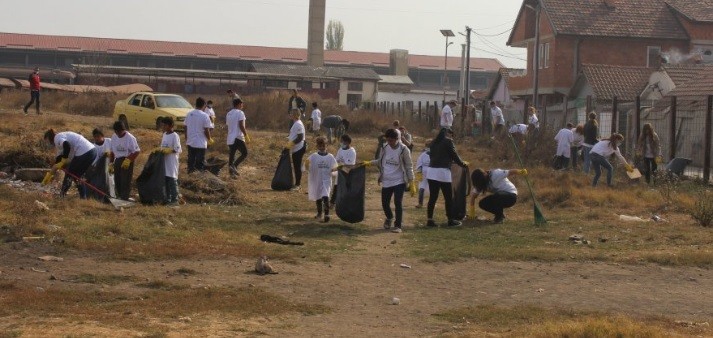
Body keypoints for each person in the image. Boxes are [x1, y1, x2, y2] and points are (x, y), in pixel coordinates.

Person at [364, 128, 414, 233]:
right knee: (385, 203)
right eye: (388, 140)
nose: (390, 143)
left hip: (399, 180)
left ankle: (398, 225)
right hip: (387, 180)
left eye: (392, 140)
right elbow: (380, 161)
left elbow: (409, 166)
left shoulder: (404, 150)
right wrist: (369, 162)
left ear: (397, 139)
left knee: (397, 202)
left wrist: (411, 181)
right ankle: (389, 217)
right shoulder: (384, 147)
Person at [426, 128, 468, 227]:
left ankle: (430, 220)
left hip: (431, 172)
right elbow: (454, 155)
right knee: (448, 198)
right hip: (443, 172)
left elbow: (431, 156)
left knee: (433, 197)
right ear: (448, 134)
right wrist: (462, 164)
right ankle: (450, 220)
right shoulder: (448, 141)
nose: (452, 136)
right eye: (451, 134)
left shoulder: (433, 142)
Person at [41, 129, 97, 198]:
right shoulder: (60, 141)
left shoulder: (57, 138)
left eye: (47, 142)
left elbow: (67, 146)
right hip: (92, 151)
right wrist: (50, 175)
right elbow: (58, 159)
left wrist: (63, 160)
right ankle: (83, 197)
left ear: (49, 138)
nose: (48, 144)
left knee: (69, 173)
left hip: (84, 152)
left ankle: (62, 195)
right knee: (77, 175)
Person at [306, 136, 338, 222]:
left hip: (327, 180)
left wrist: (334, 170)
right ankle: (319, 213)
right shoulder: (313, 156)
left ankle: (327, 214)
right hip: (317, 179)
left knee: (325, 195)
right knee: (318, 197)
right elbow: (307, 166)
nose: (322, 148)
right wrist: (306, 166)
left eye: (324, 146)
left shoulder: (330, 157)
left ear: (326, 145)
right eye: (320, 146)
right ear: (317, 146)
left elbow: (335, 168)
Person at [109, 121, 141, 200]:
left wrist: (128, 160)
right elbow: (112, 151)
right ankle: (119, 196)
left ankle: (124, 197)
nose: (118, 133)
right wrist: (111, 163)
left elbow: (137, 151)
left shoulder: (130, 138)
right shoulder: (114, 137)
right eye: (116, 132)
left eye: (120, 131)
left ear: (123, 130)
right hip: (118, 159)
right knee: (117, 179)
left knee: (125, 180)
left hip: (127, 160)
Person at [155, 117, 182, 205]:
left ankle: (175, 199)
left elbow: (177, 149)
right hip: (165, 161)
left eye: (165, 125)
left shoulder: (175, 135)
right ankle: (167, 199)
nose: (163, 127)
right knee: (165, 180)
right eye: (162, 125)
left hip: (172, 161)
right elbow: (163, 146)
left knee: (172, 180)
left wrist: (169, 150)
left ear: (170, 126)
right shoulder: (164, 134)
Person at [185, 97, 213, 174]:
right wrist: (209, 139)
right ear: (204, 105)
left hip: (190, 141)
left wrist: (186, 138)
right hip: (200, 143)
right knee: (199, 162)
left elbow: (186, 127)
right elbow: (206, 130)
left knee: (191, 160)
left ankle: (190, 173)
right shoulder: (205, 116)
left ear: (196, 104)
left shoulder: (189, 114)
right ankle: (198, 176)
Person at [226, 98, 250, 178]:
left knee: (232, 155)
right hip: (238, 137)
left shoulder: (229, 113)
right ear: (239, 104)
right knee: (245, 153)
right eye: (241, 104)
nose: (242, 105)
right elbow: (241, 125)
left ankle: (231, 173)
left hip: (230, 137)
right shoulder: (240, 113)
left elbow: (228, 125)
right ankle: (234, 166)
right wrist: (246, 135)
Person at [330, 134, 357, 205]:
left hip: (348, 173)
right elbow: (337, 160)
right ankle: (332, 202)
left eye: (342, 141)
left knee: (346, 189)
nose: (341, 143)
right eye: (341, 141)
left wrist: (337, 168)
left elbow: (350, 165)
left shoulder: (352, 151)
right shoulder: (341, 149)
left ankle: (347, 203)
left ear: (347, 142)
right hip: (340, 172)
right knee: (336, 187)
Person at [87, 128, 112, 201]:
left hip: (111, 164)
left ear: (102, 136)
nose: (97, 138)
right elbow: (96, 160)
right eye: (95, 137)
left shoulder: (109, 141)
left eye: (98, 136)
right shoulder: (93, 146)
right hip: (101, 168)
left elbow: (114, 151)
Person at [285, 109, 307, 190]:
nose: (290, 114)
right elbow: (294, 135)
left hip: (299, 148)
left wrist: (291, 144)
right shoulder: (295, 123)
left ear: (295, 114)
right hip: (295, 148)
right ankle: (297, 184)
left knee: (297, 166)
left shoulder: (298, 124)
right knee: (296, 165)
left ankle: (298, 185)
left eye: (291, 113)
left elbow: (300, 137)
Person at [415, 139, 432, 209]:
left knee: (422, 187)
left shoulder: (423, 154)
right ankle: (429, 204)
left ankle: (420, 203)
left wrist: (419, 172)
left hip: (425, 171)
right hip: (432, 172)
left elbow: (419, 164)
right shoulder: (436, 153)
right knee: (432, 188)